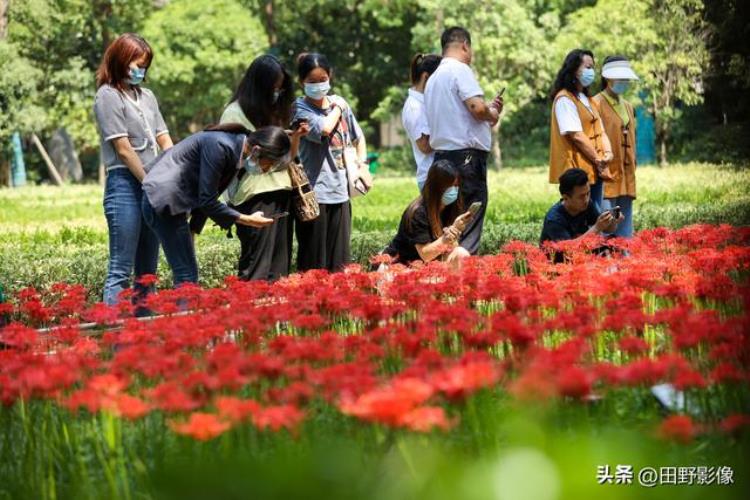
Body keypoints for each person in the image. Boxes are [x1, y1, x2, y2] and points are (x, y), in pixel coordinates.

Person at [141, 126, 290, 285]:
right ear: (257, 150)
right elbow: (207, 200)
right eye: (271, 163)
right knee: (186, 276)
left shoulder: (234, 151)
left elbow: (208, 194)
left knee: (185, 273)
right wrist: (247, 219)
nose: (267, 170)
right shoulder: (221, 147)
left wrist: (193, 229)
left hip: (167, 202)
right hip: (163, 200)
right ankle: (182, 309)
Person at [94, 33, 173, 308]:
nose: (141, 71)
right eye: (137, 64)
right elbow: (123, 148)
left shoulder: (147, 96)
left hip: (152, 183)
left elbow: (164, 137)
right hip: (125, 185)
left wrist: (174, 171)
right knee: (121, 267)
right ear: (121, 61)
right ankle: (114, 334)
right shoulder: (107, 95)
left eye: (145, 66)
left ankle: (144, 336)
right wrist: (150, 182)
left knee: (148, 271)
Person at [220, 55, 309, 281]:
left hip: (281, 192)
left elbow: (288, 157)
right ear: (258, 86)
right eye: (272, 88)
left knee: (279, 269)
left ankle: (276, 315)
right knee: (256, 267)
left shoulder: (277, 112)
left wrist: (295, 137)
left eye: (279, 89)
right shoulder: (235, 113)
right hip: (253, 196)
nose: (276, 94)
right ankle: (249, 313)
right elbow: (230, 158)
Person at [424, 26, 503, 255]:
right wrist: (493, 113)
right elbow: (477, 108)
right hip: (466, 160)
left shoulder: (433, 79)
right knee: (468, 221)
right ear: (465, 46)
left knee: (448, 224)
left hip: (442, 159)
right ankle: (465, 277)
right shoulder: (460, 70)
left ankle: (446, 276)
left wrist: (487, 114)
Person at [292, 52, 372, 272]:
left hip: (341, 191)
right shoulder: (301, 109)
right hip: (314, 195)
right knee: (314, 262)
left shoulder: (339, 105)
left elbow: (359, 137)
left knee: (340, 262)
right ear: (301, 83)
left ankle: (337, 304)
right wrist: (339, 106)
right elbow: (325, 129)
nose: (318, 85)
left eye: (322, 79)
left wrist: (362, 165)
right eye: (312, 82)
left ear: (330, 76)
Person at [548, 49, 613, 208]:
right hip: (576, 170)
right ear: (574, 70)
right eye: (587, 67)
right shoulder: (564, 99)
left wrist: (608, 154)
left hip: (593, 167)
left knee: (596, 214)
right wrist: (598, 160)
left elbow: (601, 131)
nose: (591, 72)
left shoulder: (588, 99)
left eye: (593, 68)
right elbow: (576, 135)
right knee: (581, 214)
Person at [384, 160, 472, 265]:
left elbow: (452, 249)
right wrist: (446, 238)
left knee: (462, 254)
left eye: (456, 185)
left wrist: (455, 232)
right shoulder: (418, 213)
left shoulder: (450, 208)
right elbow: (425, 255)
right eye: (450, 186)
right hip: (402, 265)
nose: (454, 190)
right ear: (436, 187)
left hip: (428, 266)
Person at [592, 56, 639, 238]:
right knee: (606, 223)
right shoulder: (595, 103)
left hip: (627, 175)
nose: (623, 82)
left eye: (625, 78)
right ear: (607, 78)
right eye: (619, 78)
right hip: (606, 175)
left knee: (625, 224)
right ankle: (605, 264)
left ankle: (625, 262)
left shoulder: (628, 106)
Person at [540, 168, 622, 247]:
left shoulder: (587, 205)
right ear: (566, 197)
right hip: (558, 258)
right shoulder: (554, 219)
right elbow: (567, 248)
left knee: (612, 242)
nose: (586, 199)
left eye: (588, 193)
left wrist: (613, 221)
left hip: (581, 253)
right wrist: (596, 227)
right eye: (581, 196)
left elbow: (606, 229)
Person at [402, 53, 441, 190]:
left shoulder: (426, 101)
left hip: (440, 175)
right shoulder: (414, 107)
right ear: (426, 77)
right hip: (432, 178)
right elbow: (424, 146)